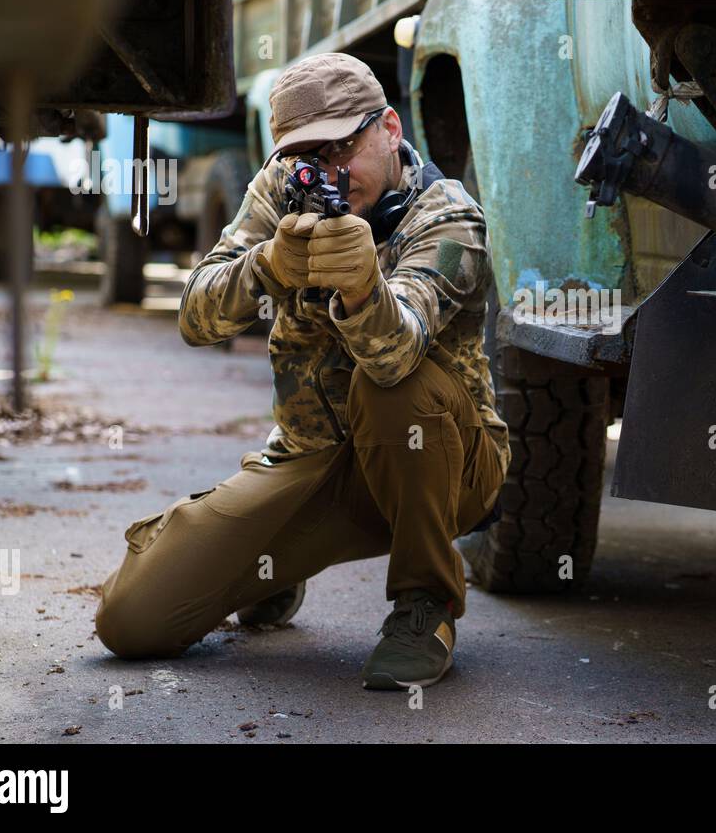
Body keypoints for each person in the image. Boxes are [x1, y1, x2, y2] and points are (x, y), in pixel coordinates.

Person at [94, 52, 510, 689]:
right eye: (307, 156)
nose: (327, 172)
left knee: (390, 387)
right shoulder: (283, 189)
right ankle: (278, 568)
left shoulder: (447, 217)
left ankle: (427, 606)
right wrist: (268, 266)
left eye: (343, 147)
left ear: (391, 128)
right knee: (132, 622)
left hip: (442, 465)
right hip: (312, 461)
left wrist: (362, 290)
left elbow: (397, 354)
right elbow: (194, 320)